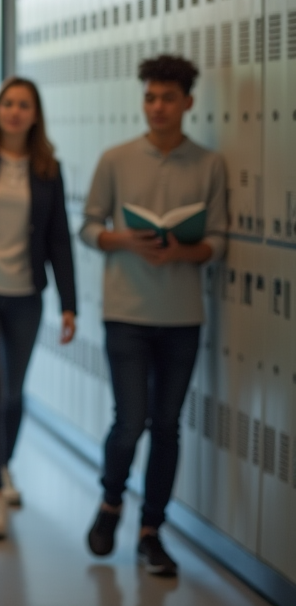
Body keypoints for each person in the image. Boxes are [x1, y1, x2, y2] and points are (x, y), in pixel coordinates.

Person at [81, 54, 227, 577]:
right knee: (130, 421)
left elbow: (217, 240)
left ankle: (151, 532)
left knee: (167, 426)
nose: (157, 107)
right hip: (126, 311)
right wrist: (123, 238)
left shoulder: (209, 164)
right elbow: (89, 226)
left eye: (167, 98)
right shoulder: (116, 159)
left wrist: (184, 252)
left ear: (187, 103)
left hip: (182, 316)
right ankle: (110, 502)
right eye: (150, 97)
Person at [0, 77, 76, 541]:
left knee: (13, 393)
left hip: (26, 295)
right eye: (7, 103)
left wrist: (70, 304)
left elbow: (59, 238)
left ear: (35, 114)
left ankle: (4, 465)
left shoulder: (47, 168)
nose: (14, 111)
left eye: (23, 105)